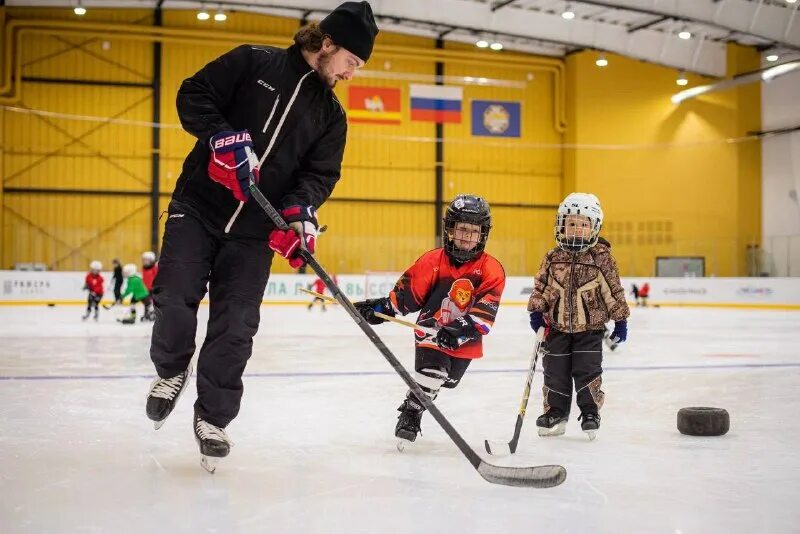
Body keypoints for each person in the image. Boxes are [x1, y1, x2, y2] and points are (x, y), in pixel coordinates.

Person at [143, 1, 378, 471]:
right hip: (198, 206)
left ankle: (213, 417)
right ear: (328, 44)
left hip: (254, 232)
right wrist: (222, 138)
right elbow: (194, 94)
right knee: (174, 296)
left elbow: (320, 174)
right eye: (352, 62)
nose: (353, 74)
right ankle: (171, 370)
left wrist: (299, 213)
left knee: (236, 327)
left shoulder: (331, 115)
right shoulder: (255, 61)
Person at [354, 195, 505, 446]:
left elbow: (485, 313)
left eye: (474, 231)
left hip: (465, 339)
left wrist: (459, 330)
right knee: (432, 373)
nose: (467, 236)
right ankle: (411, 413)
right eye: (462, 229)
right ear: (450, 230)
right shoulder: (432, 261)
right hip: (431, 332)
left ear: (483, 234)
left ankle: (422, 395)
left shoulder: (492, 270)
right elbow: (407, 296)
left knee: (448, 381)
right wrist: (382, 308)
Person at [528, 193, 629, 440]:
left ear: (593, 227)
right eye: (571, 223)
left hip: (590, 329)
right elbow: (541, 286)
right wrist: (536, 312)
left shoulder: (601, 257)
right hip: (557, 328)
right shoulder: (553, 257)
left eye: (584, 224)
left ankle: (590, 412)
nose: (577, 229)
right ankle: (555, 413)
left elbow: (613, 290)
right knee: (554, 371)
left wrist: (620, 320)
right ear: (561, 225)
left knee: (588, 370)